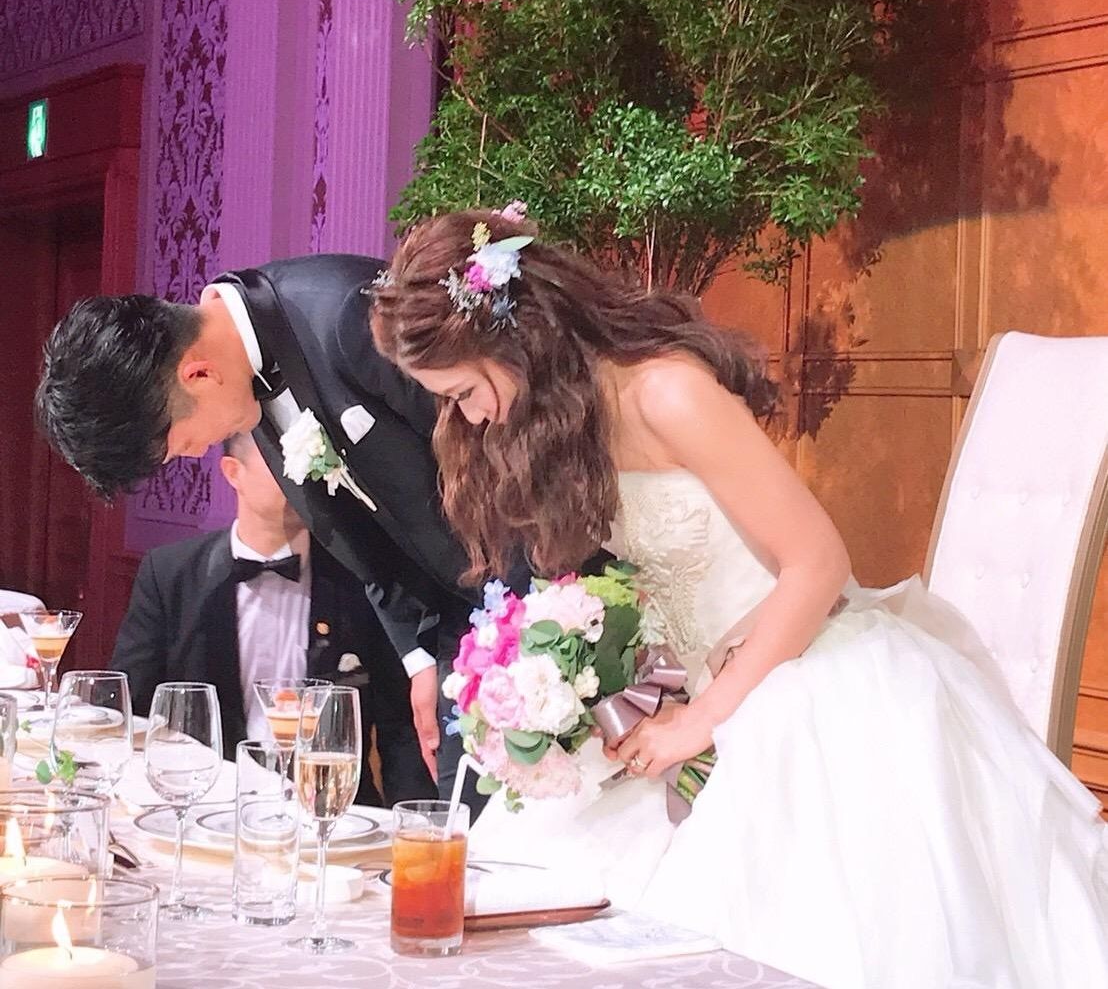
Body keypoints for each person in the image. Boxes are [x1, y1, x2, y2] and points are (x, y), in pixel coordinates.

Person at [370, 209, 1108, 989]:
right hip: (708, 692)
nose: (470, 416)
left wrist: (704, 719)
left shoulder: (667, 392)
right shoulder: (577, 419)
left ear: (517, 339)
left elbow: (817, 564)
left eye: (465, 391)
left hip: (811, 677)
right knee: (539, 880)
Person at [35, 251, 527, 800]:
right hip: (465, 633)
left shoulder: (345, 313)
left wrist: (540, 613)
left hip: (536, 586)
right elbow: (368, 547)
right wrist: (418, 657)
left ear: (198, 373)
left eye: (181, 442)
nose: (196, 453)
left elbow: (503, 453)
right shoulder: (248, 391)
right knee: (472, 827)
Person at [111, 433, 435, 807]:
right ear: (233, 473)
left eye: (305, 464)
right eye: (280, 461)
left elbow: (400, 726)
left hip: (332, 811)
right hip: (206, 804)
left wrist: (415, 820)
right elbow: (132, 708)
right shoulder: (172, 574)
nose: (299, 477)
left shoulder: (360, 580)